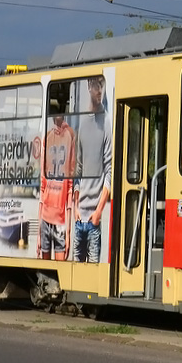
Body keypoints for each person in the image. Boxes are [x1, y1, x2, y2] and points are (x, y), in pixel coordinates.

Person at [72, 75, 111, 263]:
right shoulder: (82, 123)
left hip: (94, 219)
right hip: (79, 219)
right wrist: (75, 207)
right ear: (89, 86)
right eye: (96, 86)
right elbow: (77, 169)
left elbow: (109, 171)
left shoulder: (107, 123)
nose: (99, 90)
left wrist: (98, 213)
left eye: (101, 86)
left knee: (94, 271)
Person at [39, 112, 76, 260]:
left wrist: (68, 231)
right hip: (46, 218)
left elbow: (70, 188)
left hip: (60, 221)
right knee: (44, 272)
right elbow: (42, 186)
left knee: (61, 272)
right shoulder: (47, 138)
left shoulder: (70, 136)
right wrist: (38, 235)